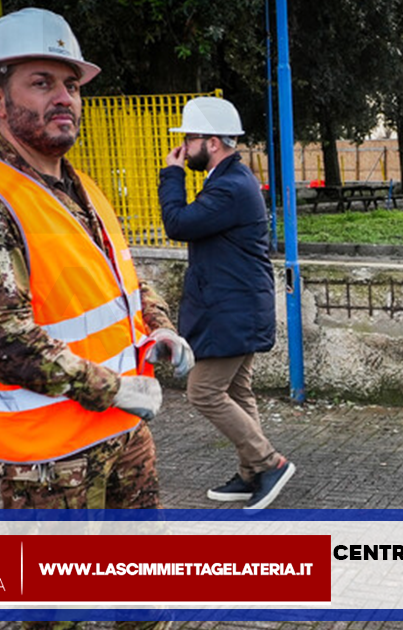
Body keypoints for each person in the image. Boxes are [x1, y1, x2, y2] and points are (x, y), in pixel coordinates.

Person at [0, 6, 193, 528]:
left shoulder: (81, 186)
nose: (64, 97)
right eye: (41, 83)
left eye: (71, 85)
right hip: (51, 464)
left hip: (125, 434)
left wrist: (158, 327)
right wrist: (114, 389)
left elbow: (123, 279)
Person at [158, 97, 293, 511]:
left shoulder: (230, 187)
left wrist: (172, 174)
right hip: (237, 306)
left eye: (189, 139)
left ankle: (270, 463)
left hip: (232, 310)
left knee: (203, 391)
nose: (183, 148)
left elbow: (177, 224)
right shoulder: (230, 179)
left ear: (212, 142)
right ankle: (252, 472)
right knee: (236, 389)